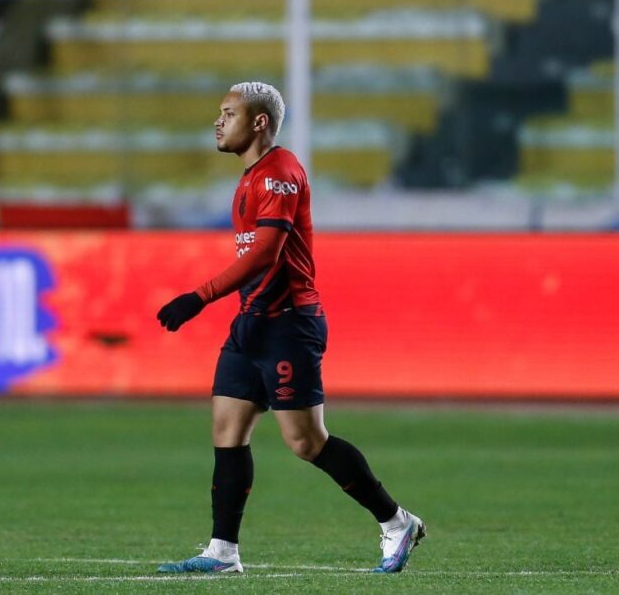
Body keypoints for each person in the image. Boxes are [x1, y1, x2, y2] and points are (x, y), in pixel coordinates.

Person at [155, 82, 425, 574]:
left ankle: (395, 521)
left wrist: (199, 296)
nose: (218, 121)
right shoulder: (250, 176)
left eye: (228, 113)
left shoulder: (279, 172)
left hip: (289, 323)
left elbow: (265, 253)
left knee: (306, 442)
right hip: (252, 323)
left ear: (259, 122)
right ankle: (222, 551)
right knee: (227, 429)